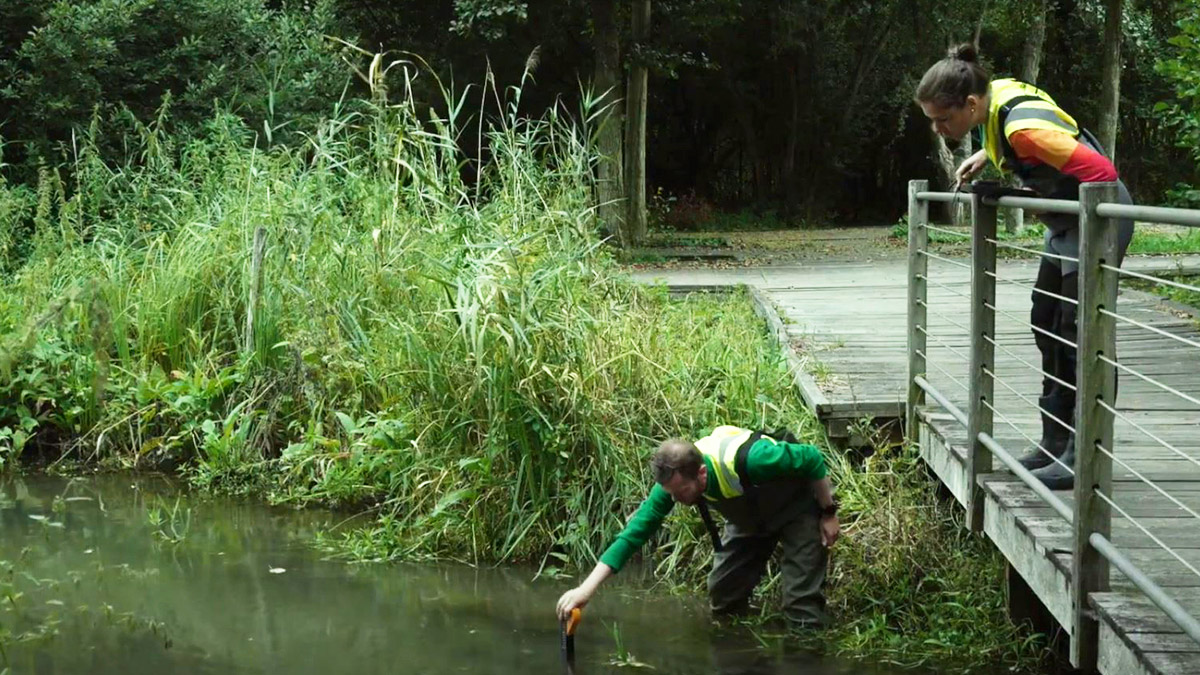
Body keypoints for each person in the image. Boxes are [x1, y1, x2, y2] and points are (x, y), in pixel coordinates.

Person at [914, 43, 1135, 490]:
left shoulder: (1023, 130)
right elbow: (1034, 136)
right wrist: (987, 157)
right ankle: (1054, 441)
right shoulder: (996, 100)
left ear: (970, 104)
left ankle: (1084, 453)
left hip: (1097, 221)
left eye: (943, 119)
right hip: (1067, 223)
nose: (939, 129)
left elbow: (1102, 175)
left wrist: (1034, 199)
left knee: (1079, 331)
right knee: (1044, 320)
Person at [554, 425, 840, 628]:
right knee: (723, 595)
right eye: (671, 495)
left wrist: (828, 512)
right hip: (750, 521)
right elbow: (633, 535)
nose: (676, 500)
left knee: (802, 609)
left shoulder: (754, 459)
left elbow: (812, 457)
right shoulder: (672, 485)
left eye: (682, 493)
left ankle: (805, 651)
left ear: (701, 473)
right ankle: (741, 648)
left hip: (795, 511)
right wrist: (585, 590)